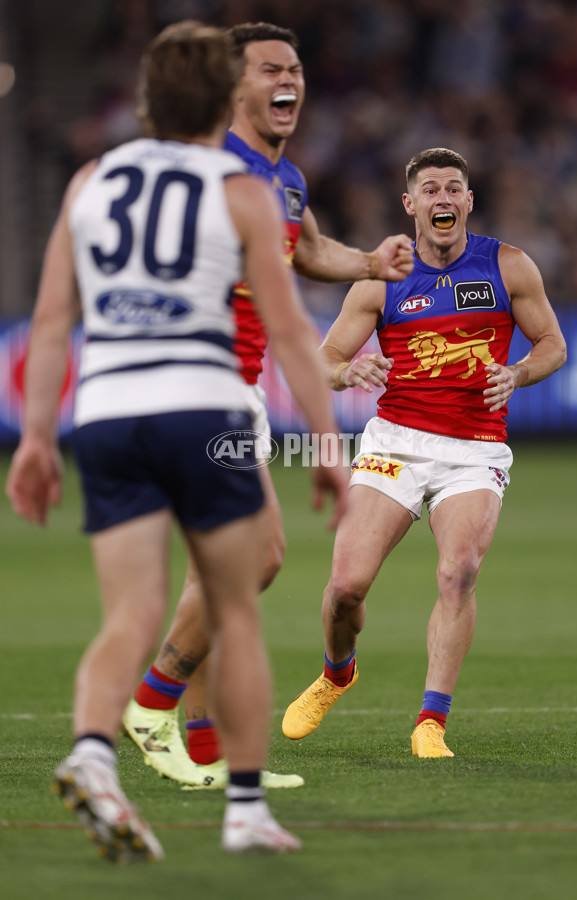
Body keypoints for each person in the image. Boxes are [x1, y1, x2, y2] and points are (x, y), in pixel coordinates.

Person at [6, 21, 350, 860]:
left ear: (144, 99)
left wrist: (37, 439)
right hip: (204, 407)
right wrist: (330, 443)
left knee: (129, 612)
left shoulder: (92, 176)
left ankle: (94, 753)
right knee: (237, 603)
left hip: (109, 414)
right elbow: (293, 331)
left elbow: (52, 322)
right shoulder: (242, 189)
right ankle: (244, 810)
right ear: (219, 96)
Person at [122, 21, 414, 789]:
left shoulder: (283, 180)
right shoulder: (211, 167)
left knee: (222, 570)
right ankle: (151, 702)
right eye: (269, 69)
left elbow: (306, 251)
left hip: (237, 390)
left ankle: (212, 757)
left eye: (296, 68)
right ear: (233, 86)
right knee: (257, 556)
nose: (289, 80)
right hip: (199, 382)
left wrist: (370, 262)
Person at [282, 147, 567, 758]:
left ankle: (430, 721)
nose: (443, 199)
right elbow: (326, 359)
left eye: (454, 188)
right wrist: (349, 372)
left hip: (474, 448)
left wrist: (517, 374)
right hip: (395, 445)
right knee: (344, 590)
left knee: (458, 572)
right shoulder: (381, 277)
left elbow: (553, 345)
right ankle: (337, 674)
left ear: (468, 201)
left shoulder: (509, 266)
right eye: (430, 189)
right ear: (411, 205)